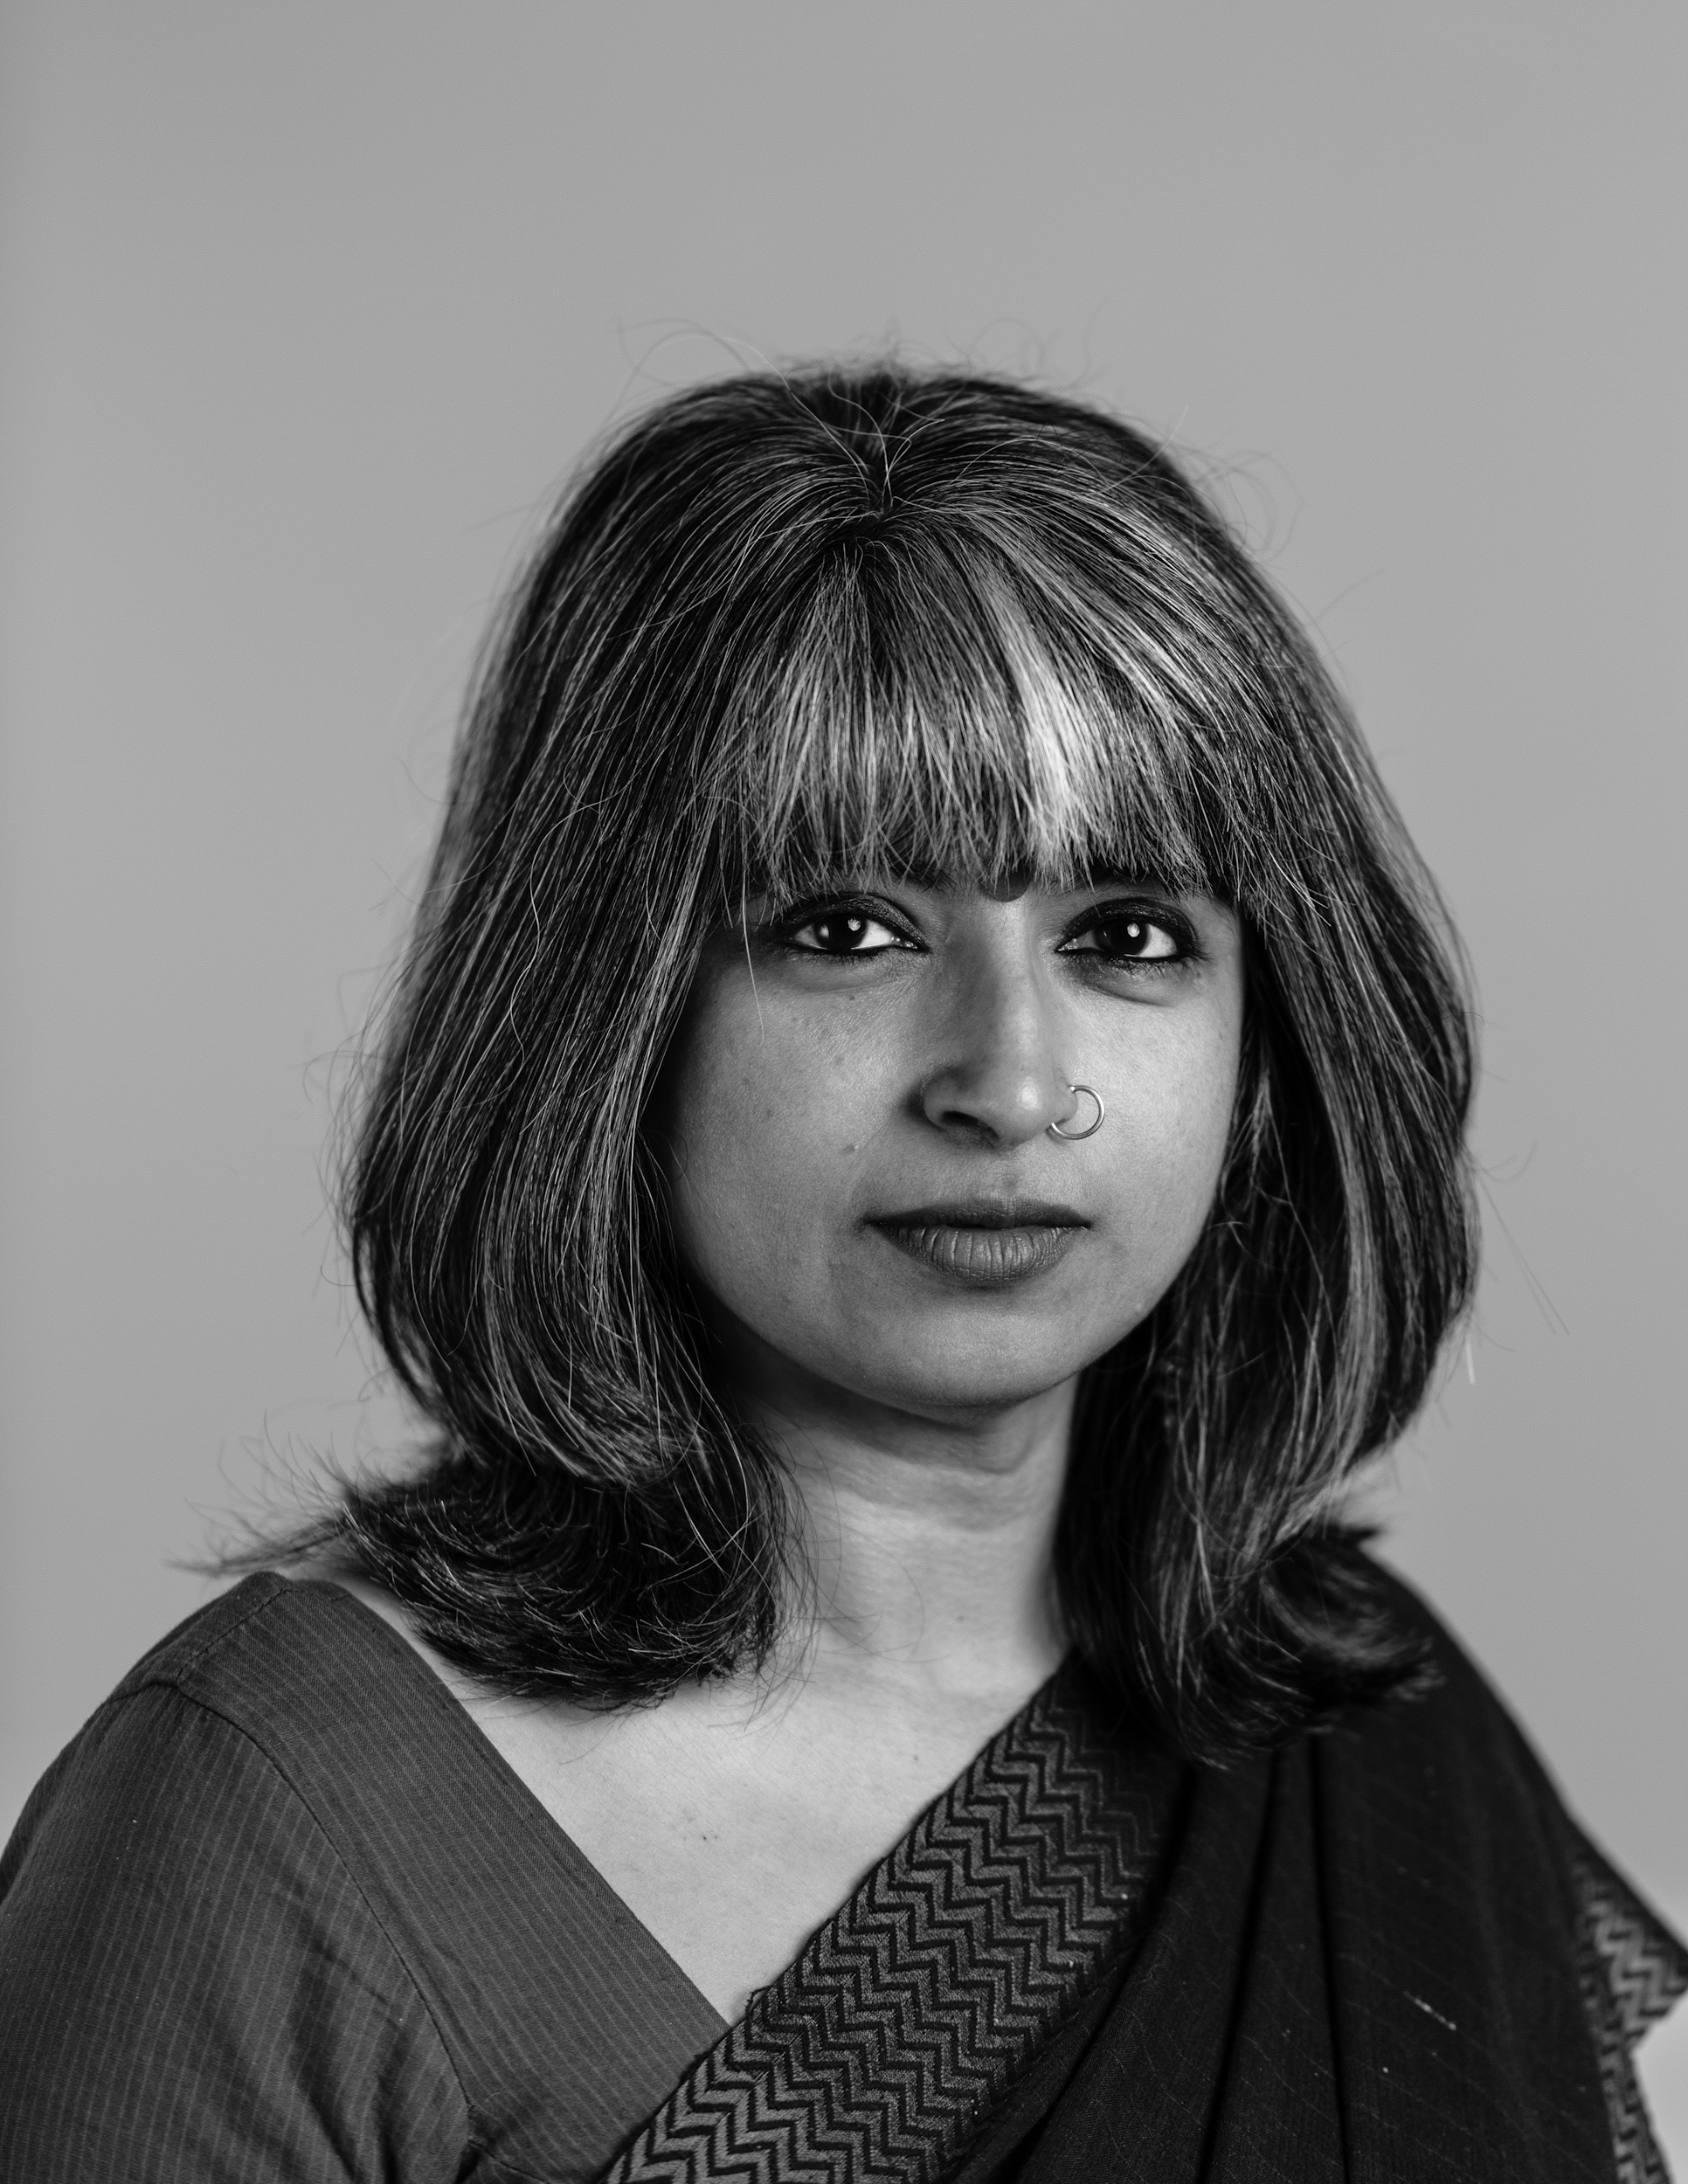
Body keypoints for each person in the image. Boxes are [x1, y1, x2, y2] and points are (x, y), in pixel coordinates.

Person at [1, 364, 1681, 2183]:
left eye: (1128, 935)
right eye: (846, 927)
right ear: (606, 1009)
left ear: (1265, 1043)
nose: (1013, 1081)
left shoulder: (1358, 1733)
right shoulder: (282, 1813)